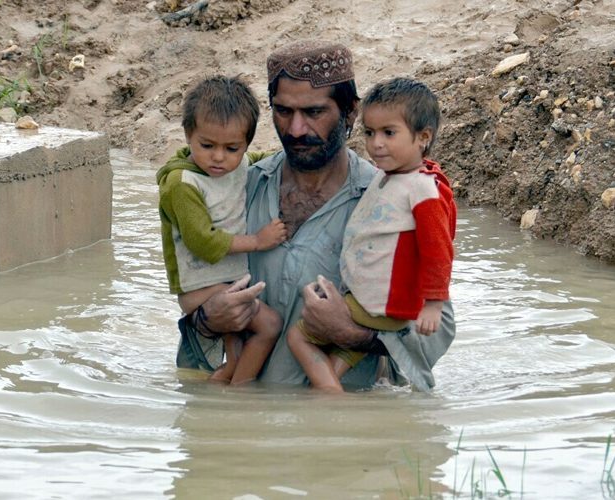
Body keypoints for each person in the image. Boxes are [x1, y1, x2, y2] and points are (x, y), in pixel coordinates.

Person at [175, 40, 455, 392]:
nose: (295, 129)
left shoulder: (391, 197)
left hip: (342, 431)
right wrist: (207, 320)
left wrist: (353, 334)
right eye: (283, 111)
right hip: (245, 426)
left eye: (313, 112)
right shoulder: (238, 188)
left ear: (350, 112)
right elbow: (192, 289)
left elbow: (438, 330)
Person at [286, 77, 456, 392]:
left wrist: (433, 304)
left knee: (297, 335)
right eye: (369, 132)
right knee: (330, 373)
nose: (376, 143)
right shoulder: (391, 178)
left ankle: (330, 401)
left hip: (379, 306)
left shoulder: (422, 188)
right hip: (370, 302)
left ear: (423, 137)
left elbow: (438, 249)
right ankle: (330, 398)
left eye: (389, 133)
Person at [157, 75, 288, 385]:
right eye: (207, 145)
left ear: (245, 143)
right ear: (188, 135)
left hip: (225, 281)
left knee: (238, 351)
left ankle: (222, 388)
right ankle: (238, 395)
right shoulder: (181, 184)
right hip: (202, 288)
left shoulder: (238, 164)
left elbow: (261, 162)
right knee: (269, 325)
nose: (218, 157)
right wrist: (257, 241)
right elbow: (202, 240)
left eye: (232, 148)